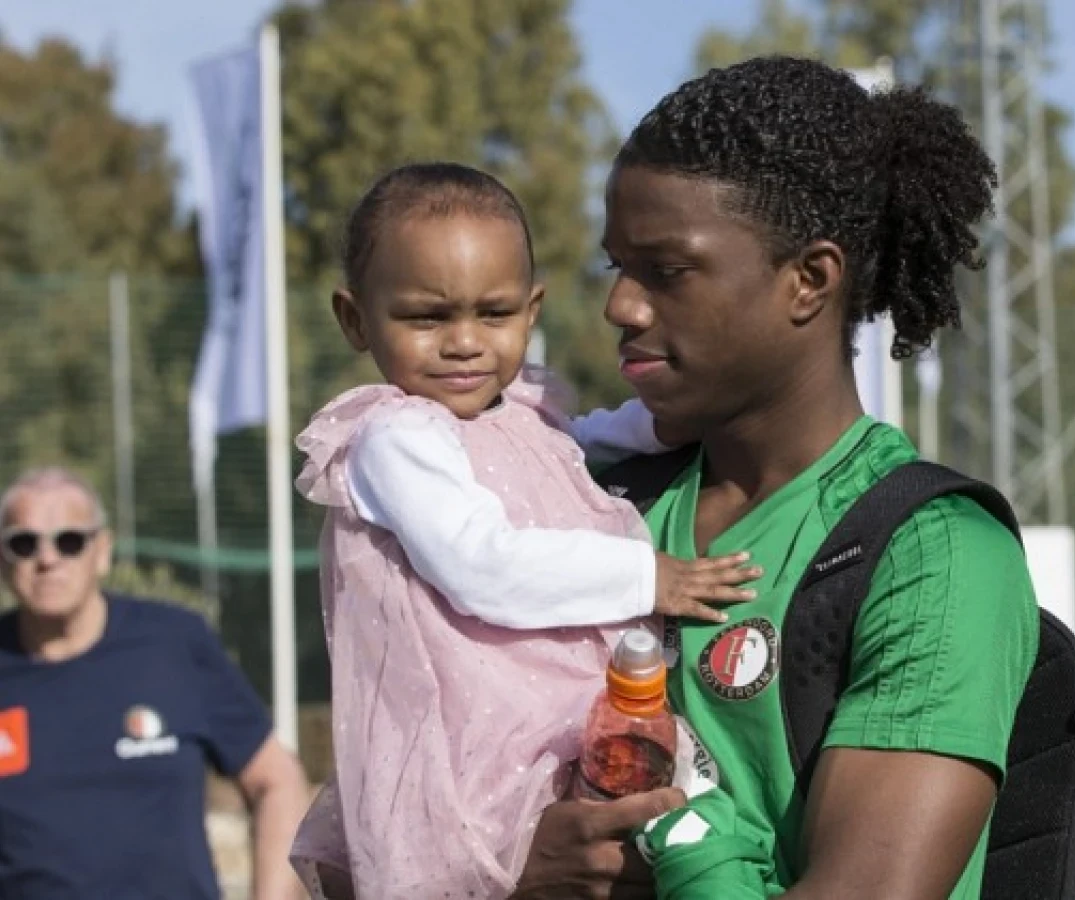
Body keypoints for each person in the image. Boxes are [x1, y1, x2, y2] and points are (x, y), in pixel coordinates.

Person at [514, 55, 1040, 900]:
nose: (622, 307)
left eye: (669, 271)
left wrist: (681, 847)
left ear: (809, 281)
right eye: (618, 267)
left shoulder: (934, 556)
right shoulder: (590, 499)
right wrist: (509, 870)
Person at [287, 162, 761, 900]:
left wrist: (691, 409)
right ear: (356, 319)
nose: (465, 343)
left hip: (561, 713)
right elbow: (482, 566)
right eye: (426, 317)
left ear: (531, 311)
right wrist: (649, 576)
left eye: (495, 313)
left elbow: (591, 441)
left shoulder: (522, 412)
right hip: (488, 740)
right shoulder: (395, 437)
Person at [0, 466, 310, 899]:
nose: (47, 558)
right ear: (4, 559)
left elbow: (277, 780)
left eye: (69, 541)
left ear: (102, 551)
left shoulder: (173, 643)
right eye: (24, 543)